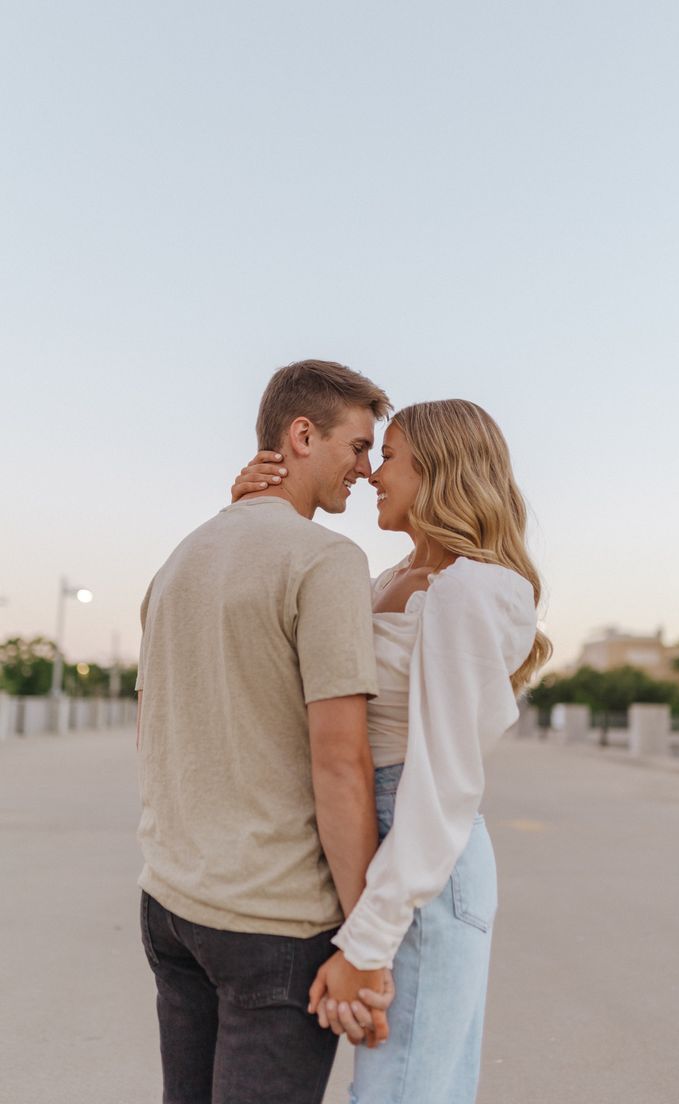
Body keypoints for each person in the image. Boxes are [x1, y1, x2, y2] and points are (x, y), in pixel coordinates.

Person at [231, 397, 552, 1104]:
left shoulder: (471, 588)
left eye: (392, 456)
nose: (374, 473)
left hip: (424, 857)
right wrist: (256, 511)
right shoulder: (389, 581)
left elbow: (443, 786)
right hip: (378, 843)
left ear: (439, 468)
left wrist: (365, 946)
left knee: (402, 1093)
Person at [135, 359, 395, 1104]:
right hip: (271, 924)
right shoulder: (326, 561)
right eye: (357, 446)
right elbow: (341, 763)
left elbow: (150, 728)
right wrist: (366, 940)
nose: (366, 469)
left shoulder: (178, 561)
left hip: (172, 905)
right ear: (302, 434)